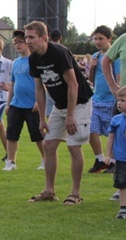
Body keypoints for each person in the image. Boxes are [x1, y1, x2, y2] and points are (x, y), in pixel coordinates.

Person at [25, 20, 93, 205]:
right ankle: (49, 191)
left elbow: (74, 84)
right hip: (60, 105)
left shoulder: (59, 52)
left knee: (73, 146)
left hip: (79, 103)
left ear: (44, 38)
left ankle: (75, 193)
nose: (27, 41)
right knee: (48, 145)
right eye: (26, 37)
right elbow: (39, 89)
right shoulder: (33, 58)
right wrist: (42, 118)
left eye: (31, 37)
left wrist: (70, 114)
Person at [4, 30, 45, 171]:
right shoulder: (15, 63)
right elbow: (13, 84)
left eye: (20, 42)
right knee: (12, 133)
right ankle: (11, 162)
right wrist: (8, 104)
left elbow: (42, 83)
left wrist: (38, 102)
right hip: (16, 103)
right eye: (15, 43)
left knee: (37, 134)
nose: (17, 45)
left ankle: (45, 159)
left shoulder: (35, 60)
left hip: (32, 105)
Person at [87, 26, 121, 174]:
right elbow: (91, 80)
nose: (97, 41)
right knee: (91, 129)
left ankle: (113, 161)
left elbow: (119, 77)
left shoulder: (116, 56)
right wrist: (92, 67)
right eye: (95, 38)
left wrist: (119, 95)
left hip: (111, 100)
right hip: (96, 99)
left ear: (109, 39)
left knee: (113, 133)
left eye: (101, 38)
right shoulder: (96, 56)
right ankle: (100, 159)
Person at [106, 85, 126, 219]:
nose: (119, 103)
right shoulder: (116, 120)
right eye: (118, 100)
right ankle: (123, 208)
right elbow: (111, 138)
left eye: (122, 100)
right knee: (122, 183)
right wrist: (108, 154)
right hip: (122, 158)